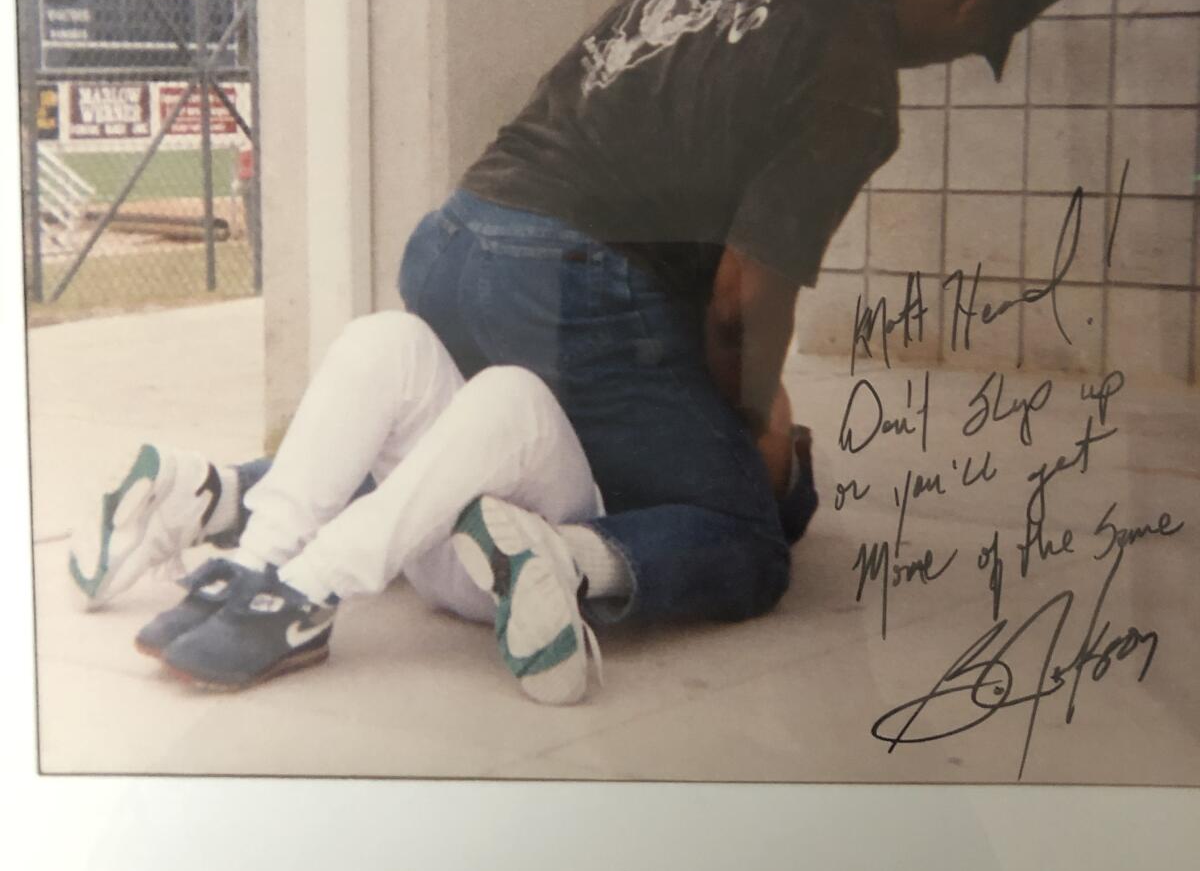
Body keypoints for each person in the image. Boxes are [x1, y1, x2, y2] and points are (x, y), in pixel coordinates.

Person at [78, 0, 1068, 703]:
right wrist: (757, 419)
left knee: (448, 418)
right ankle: (557, 559)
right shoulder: (856, 75)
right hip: (567, 287)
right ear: (971, 17)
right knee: (749, 532)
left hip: (455, 235)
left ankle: (228, 509)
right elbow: (740, 297)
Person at [70, 313, 816, 703]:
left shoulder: (735, 425)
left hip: (553, 524)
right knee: (388, 339)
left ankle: (306, 590)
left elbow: (762, 467)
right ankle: (258, 561)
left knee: (513, 395)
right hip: (440, 533)